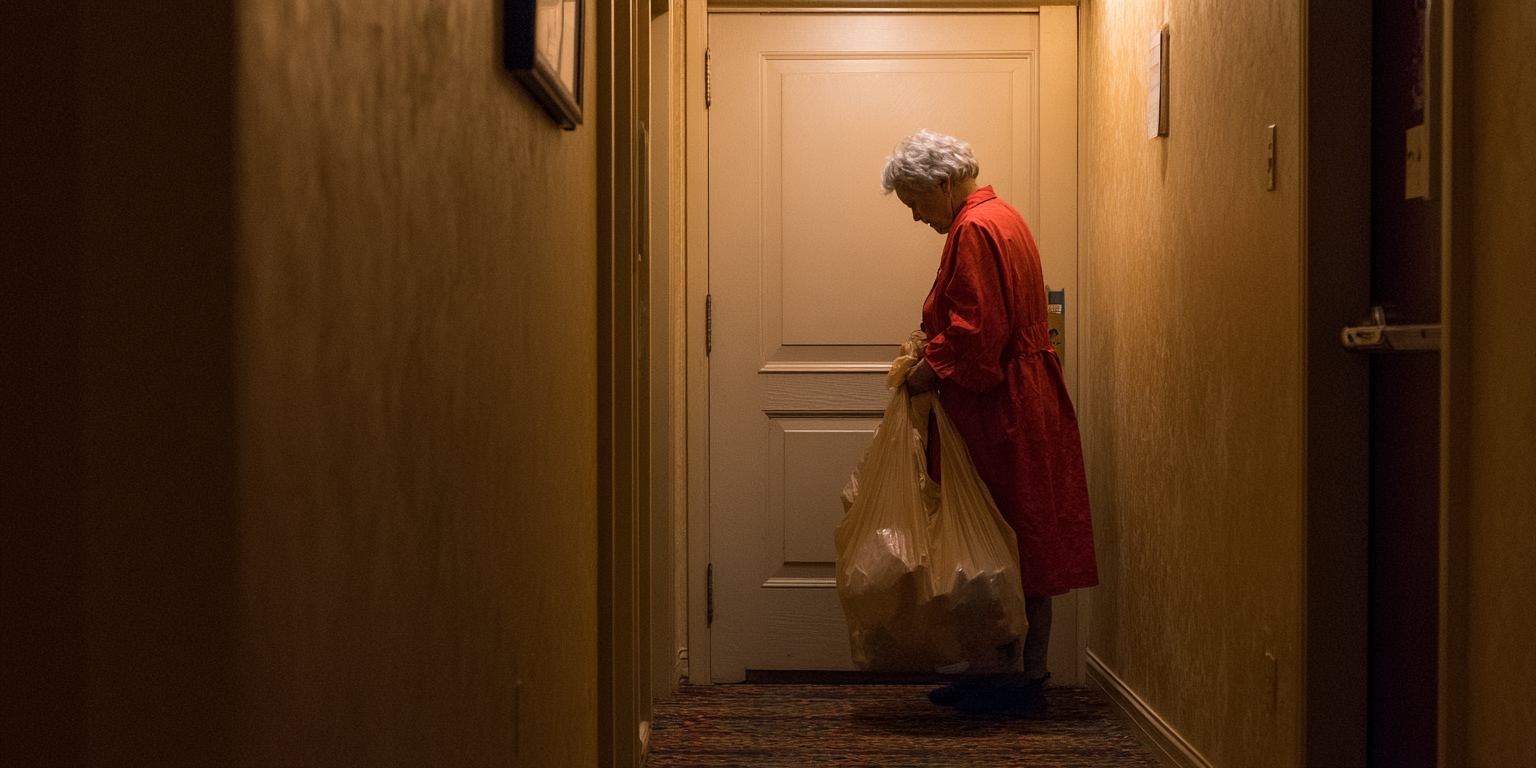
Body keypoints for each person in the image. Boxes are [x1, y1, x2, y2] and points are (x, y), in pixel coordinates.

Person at [882, 130, 1098, 716]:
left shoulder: (973, 229)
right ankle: (1015, 675)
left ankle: (1008, 682)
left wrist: (930, 367)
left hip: (999, 403)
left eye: (915, 203)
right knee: (1019, 534)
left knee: (995, 537)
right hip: (1025, 394)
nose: (915, 217)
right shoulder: (1005, 218)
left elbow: (978, 334)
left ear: (943, 185)